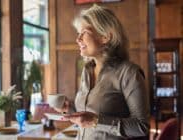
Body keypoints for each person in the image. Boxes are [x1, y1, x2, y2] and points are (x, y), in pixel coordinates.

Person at [55, 4, 150, 140]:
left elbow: (142, 127)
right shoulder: (87, 71)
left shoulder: (129, 73)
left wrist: (96, 121)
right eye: (78, 34)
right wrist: (69, 110)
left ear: (105, 37)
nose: (78, 39)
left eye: (84, 33)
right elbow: (88, 116)